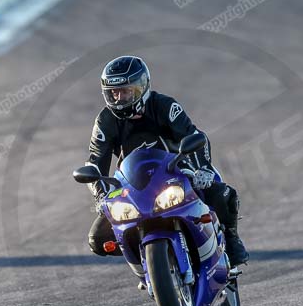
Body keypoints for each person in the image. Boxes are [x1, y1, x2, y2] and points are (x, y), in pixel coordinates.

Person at [84, 55, 249, 266]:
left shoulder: (164, 106)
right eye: (113, 93)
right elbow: (94, 163)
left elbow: (194, 136)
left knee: (222, 194)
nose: (119, 98)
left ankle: (231, 238)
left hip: (176, 172)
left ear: (141, 87)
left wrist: (202, 170)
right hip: (134, 185)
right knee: (98, 239)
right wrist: (101, 195)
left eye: (125, 91)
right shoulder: (105, 120)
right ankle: (147, 262)